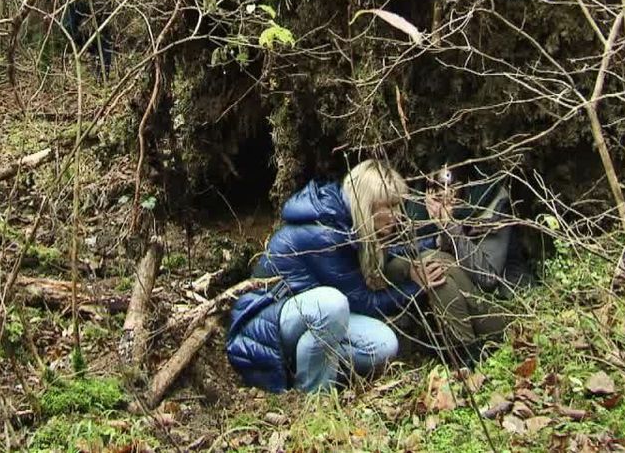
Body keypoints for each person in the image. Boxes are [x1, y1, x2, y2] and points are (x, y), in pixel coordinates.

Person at [224, 160, 426, 393]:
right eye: (389, 206)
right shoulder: (326, 235)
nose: (396, 216)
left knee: (383, 345)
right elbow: (365, 303)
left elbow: (391, 250)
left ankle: (301, 362)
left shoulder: (343, 220)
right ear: (366, 204)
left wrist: (433, 242)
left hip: (307, 319)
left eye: (398, 205)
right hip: (265, 325)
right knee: (334, 303)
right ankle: (312, 394)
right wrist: (417, 286)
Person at [387, 161, 530, 361]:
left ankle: (468, 356)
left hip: (503, 309)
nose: (445, 200)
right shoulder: (416, 213)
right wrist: (436, 234)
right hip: (457, 305)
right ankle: (448, 352)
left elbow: (487, 278)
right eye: (437, 195)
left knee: (436, 265)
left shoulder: (490, 210)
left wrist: (451, 227)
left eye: (452, 192)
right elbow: (392, 258)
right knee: (416, 266)